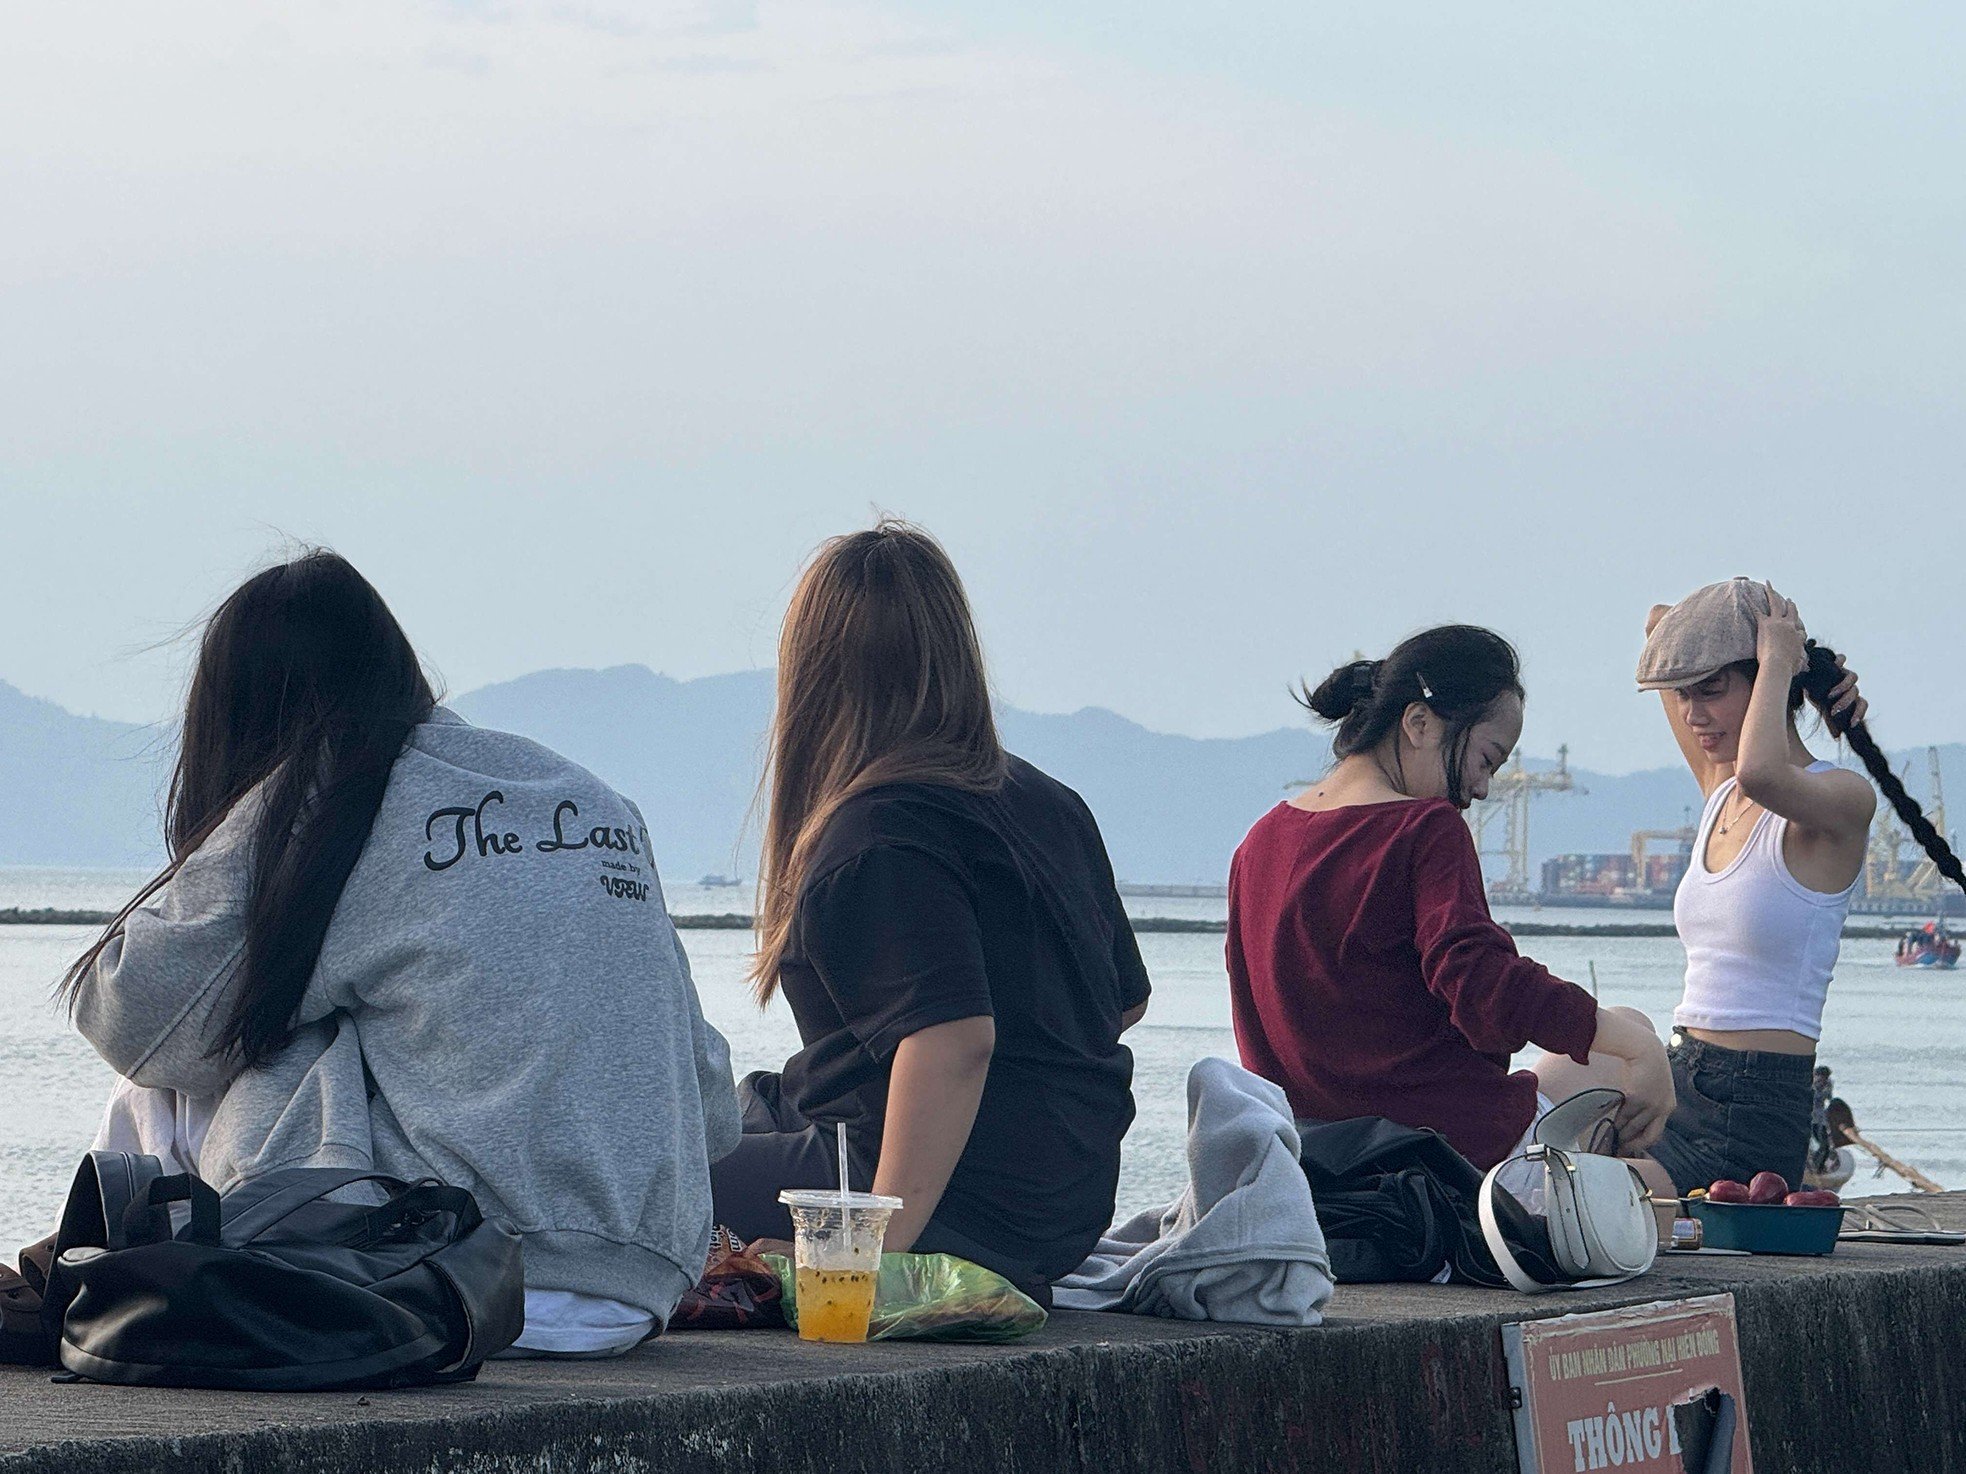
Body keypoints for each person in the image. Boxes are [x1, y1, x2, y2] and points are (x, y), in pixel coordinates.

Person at [62, 551, 740, 1356]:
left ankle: (106, 1300)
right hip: (635, 1292)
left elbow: (131, 1015)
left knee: (210, 1029)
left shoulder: (333, 789)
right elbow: (712, 1108)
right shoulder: (595, 801)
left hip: (430, 1273)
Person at [708, 521, 1149, 1301]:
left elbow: (953, 1043)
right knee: (737, 1110)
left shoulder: (877, 831)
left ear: (812, 671)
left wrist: (871, 1257)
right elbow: (1125, 999)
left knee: (638, 1170)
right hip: (1064, 1204)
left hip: (960, 1206)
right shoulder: (1048, 802)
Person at [1226, 625, 1674, 1195]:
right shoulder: (1422, 828)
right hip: (1440, 1159)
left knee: (1612, 1045)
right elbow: (1480, 983)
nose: (1482, 790)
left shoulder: (1261, 839)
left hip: (1313, 1165)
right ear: (1418, 724)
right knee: (1641, 1099)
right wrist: (1640, 1051)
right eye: (1487, 760)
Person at [1625, 577, 1966, 1194]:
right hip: (1682, 1078)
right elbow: (1659, 623)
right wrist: (1769, 636)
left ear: (1768, 684)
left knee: (1560, 1197)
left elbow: (1762, 771)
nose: (1692, 714)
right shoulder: (1720, 789)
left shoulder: (1841, 797)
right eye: (1681, 695)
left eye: (1712, 691)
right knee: (1556, 1087)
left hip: (1751, 1112)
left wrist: (1782, 657)